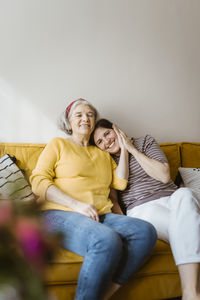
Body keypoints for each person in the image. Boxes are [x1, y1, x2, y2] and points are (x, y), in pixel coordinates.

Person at [30, 99, 157, 300]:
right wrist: (76, 204)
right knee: (106, 239)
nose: (85, 118)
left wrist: (125, 147)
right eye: (79, 114)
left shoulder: (102, 154)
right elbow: (38, 181)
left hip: (100, 215)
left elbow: (120, 183)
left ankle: (103, 295)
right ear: (68, 122)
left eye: (90, 114)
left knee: (145, 231)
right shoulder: (58, 144)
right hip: (59, 213)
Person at [91, 118, 200, 300]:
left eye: (107, 134)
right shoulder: (104, 161)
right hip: (143, 208)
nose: (106, 141)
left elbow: (164, 176)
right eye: (100, 142)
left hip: (173, 198)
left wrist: (131, 148)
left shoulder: (145, 142)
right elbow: (114, 200)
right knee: (186, 226)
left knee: (185, 194)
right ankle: (191, 293)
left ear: (116, 129)